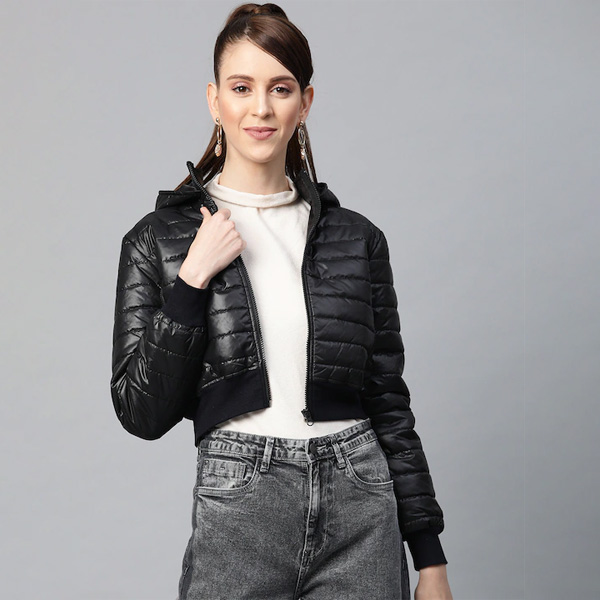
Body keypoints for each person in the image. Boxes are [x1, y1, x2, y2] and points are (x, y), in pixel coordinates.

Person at [110, 3, 453, 599]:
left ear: (305, 102)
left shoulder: (356, 239)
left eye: (281, 88)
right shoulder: (158, 240)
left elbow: (388, 402)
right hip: (241, 504)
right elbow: (141, 413)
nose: (261, 108)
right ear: (215, 100)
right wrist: (191, 281)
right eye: (242, 88)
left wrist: (430, 558)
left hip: (361, 502)